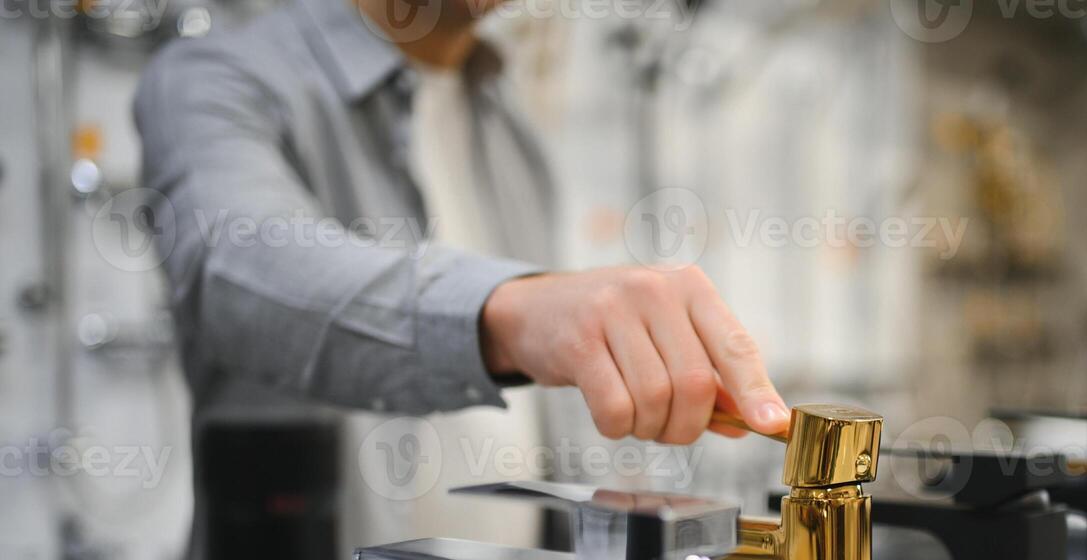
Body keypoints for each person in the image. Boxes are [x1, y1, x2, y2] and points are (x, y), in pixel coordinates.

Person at [132, 0, 790, 446]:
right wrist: (511, 312)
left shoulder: (506, 127)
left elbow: (539, 426)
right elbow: (243, 277)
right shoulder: (216, 80)